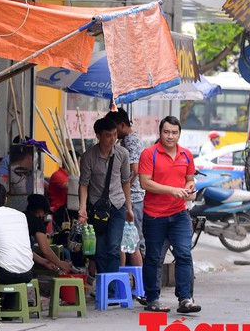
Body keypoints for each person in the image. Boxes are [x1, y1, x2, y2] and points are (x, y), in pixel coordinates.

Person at [138, 115, 200, 314]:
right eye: (166, 132)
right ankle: (153, 299)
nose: (170, 136)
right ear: (160, 133)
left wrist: (190, 188)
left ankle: (185, 299)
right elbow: (145, 183)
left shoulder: (186, 155)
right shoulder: (149, 154)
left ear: (179, 134)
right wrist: (171, 190)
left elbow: (190, 180)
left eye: (174, 132)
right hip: (154, 215)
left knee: (184, 254)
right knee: (154, 258)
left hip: (179, 213)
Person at [78, 117, 133, 275]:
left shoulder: (123, 154)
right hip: (97, 209)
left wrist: (129, 208)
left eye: (115, 134)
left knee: (114, 248)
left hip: (117, 205)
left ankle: (112, 291)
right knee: (100, 251)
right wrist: (83, 208)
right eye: (108, 135)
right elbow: (83, 183)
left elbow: (125, 182)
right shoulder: (88, 157)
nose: (113, 139)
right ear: (98, 135)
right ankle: (103, 285)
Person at [106, 108, 145, 268]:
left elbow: (134, 169)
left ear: (122, 125)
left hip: (133, 198)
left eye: (114, 128)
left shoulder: (130, 140)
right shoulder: (129, 139)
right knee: (125, 243)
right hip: (132, 197)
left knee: (130, 244)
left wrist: (123, 187)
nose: (113, 133)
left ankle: (135, 283)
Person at [25, 193, 73, 273]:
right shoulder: (37, 222)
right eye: (46, 214)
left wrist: (44, 261)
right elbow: (45, 249)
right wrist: (60, 264)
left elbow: (24, 250)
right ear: (40, 212)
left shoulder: (22, 216)